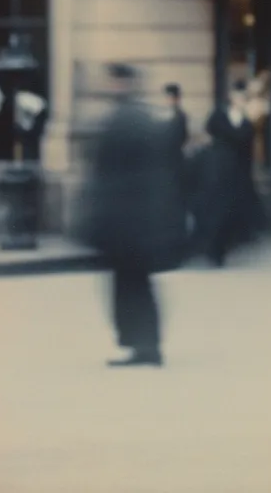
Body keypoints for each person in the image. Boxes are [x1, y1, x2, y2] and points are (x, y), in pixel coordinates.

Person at [73, 63, 188, 367]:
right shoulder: (146, 118)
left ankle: (143, 345)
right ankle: (146, 344)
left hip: (125, 221)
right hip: (142, 220)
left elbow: (105, 174)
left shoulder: (120, 120)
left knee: (129, 285)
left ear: (119, 83)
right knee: (137, 284)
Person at [194, 80, 258, 267]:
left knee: (230, 212)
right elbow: (208, 134)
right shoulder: (219, 114)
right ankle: (213, 250)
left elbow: (248, 150)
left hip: (236, 172)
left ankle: (225, 246)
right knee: (214, 210)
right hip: (217, 169)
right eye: (238, 96)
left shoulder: (246, 122)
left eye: (243, 97)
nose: (240, 100)